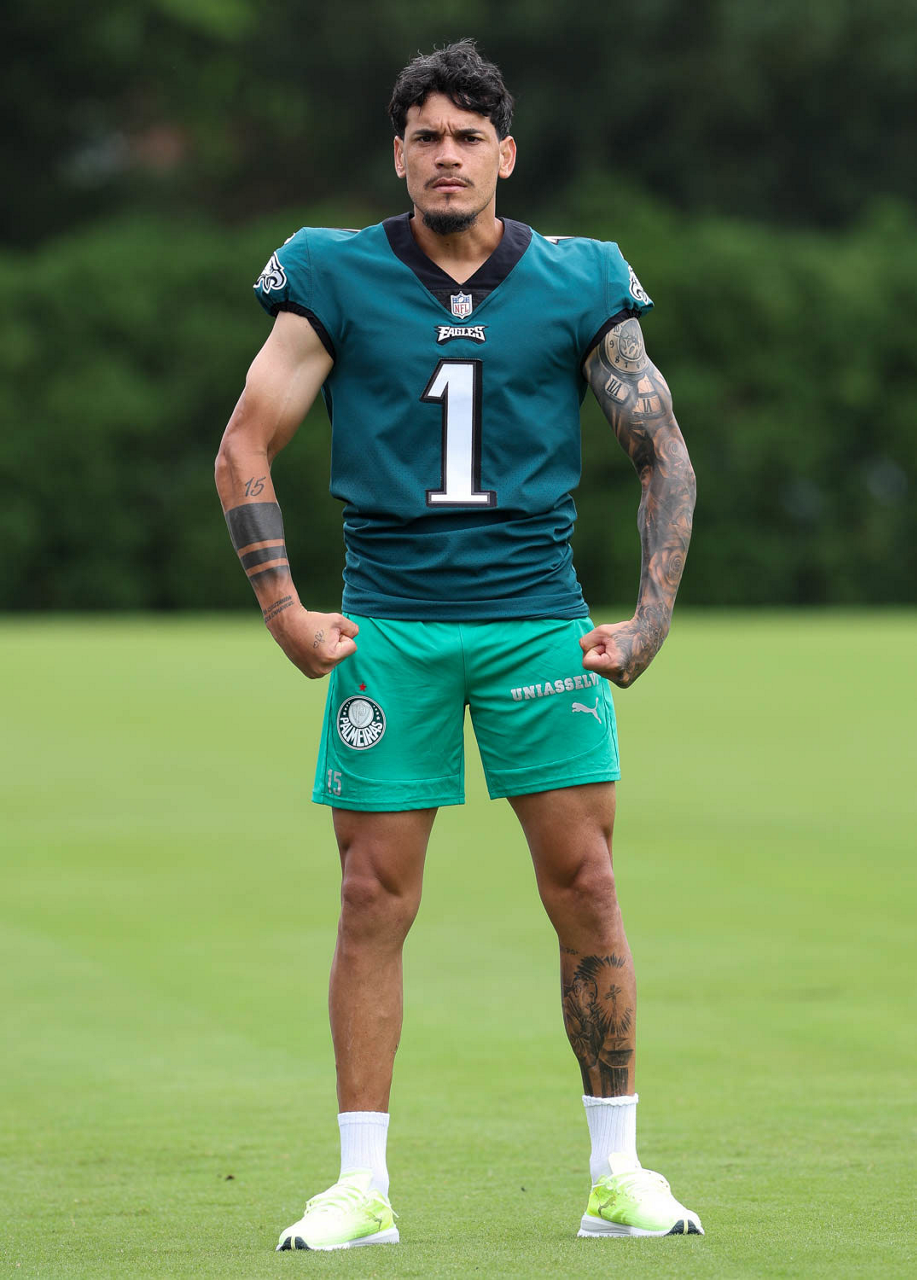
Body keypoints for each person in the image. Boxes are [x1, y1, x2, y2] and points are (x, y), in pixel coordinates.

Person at [215, 38, 700, 1251]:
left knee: (585, 883)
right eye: (425, 136)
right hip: (390, 627)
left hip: (536, 623)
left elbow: (662, 452)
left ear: (505, 154)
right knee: (370, 895)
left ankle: (616, 1172)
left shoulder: (580, 278)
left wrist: (647, 618)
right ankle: (359, 1186)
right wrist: (285, 611)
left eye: (467, 137)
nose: (446, 156)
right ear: (398, 153)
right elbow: (243, 444)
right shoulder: (332, 272)